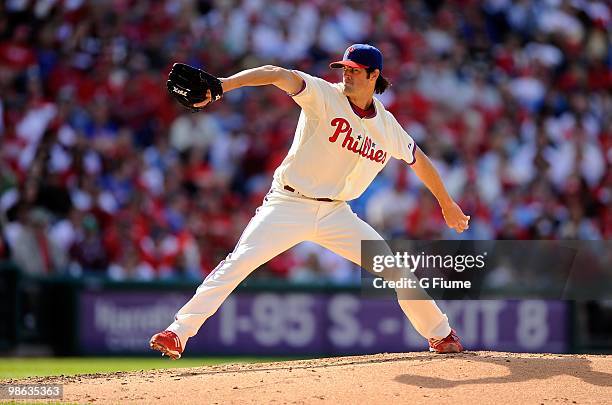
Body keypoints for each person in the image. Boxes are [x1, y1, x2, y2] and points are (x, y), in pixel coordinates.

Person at [150, 44, 469, 359]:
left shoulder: (386, 126)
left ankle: (440, 335)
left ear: (374, 76)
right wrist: (223, 85)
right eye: (344, 68)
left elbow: (419, 159)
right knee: (239, 262)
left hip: (336, 213)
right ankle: (178, 332)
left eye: (355, 71)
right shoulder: (325, 95)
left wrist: (447, 203)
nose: (346, 75)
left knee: (395, 269)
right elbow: (276, 74)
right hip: (288, 203)